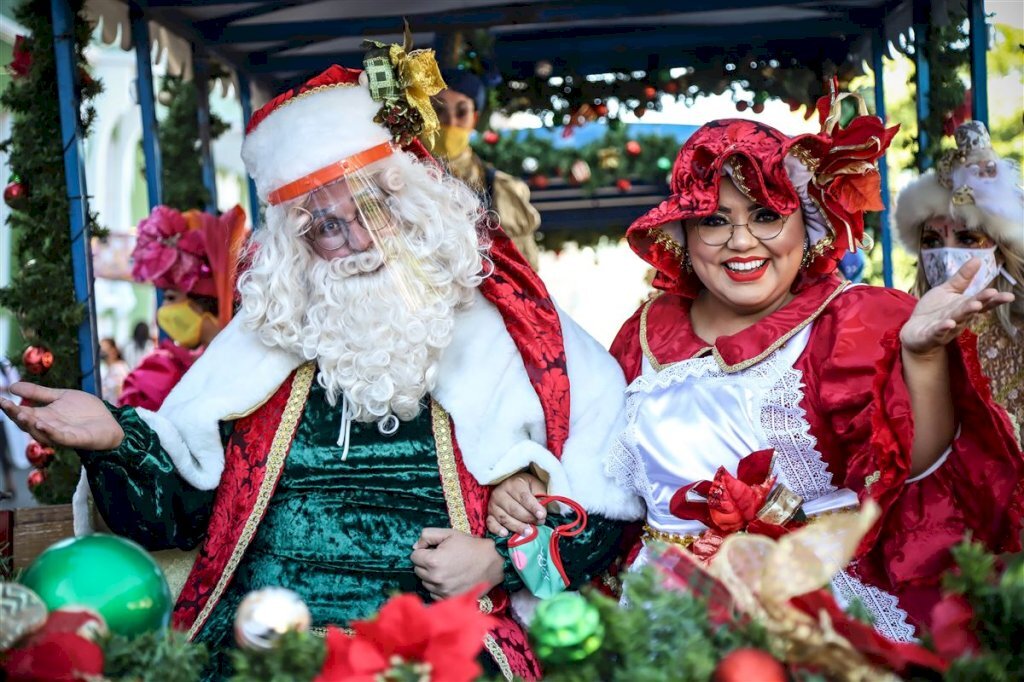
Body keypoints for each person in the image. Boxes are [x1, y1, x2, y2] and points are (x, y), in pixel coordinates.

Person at [1, 55, 639, 680]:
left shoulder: (515, 330)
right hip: (259, 638)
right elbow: (180, 515)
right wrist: (116, 439)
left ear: (414, 204)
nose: (358, 243)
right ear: (295, 245)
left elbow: (609, 490)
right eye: (327, 227)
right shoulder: (266, 339)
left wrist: (500, 560)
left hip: (440, 637)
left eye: (374, 211)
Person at [489, 91, 1024, 642]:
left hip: (811, 616)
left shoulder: (855, 321)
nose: (741, 241)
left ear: (806, 226)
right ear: (686, 235)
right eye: (714, 220)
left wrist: (922, 355)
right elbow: (592, 463)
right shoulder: (644, 333)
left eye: (767, 215)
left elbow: (915, 475)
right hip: (662, 617)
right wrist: (524, 475)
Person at [895, 121, 1023, 442]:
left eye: (967, 239)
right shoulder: (902, 331)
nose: (947, 255)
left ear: (1001, 249)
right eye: (933, 241)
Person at [117, 204, 248, 411]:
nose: (163, 310)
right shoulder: (160, 374)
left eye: (170, 297)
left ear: (204, 302)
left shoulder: (167, 374)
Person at [425, 68, 543, 269]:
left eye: (461, 112)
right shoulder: (392, 177)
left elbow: (525, 275)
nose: (451, 122)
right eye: (438, 111)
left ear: (475, 119)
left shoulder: (502, 189)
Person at [98, 338, 130, 403]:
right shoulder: (111, 368)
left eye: (104, 350)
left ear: (113, 351)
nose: (101, 353)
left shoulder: (118, 369)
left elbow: (121, 393)